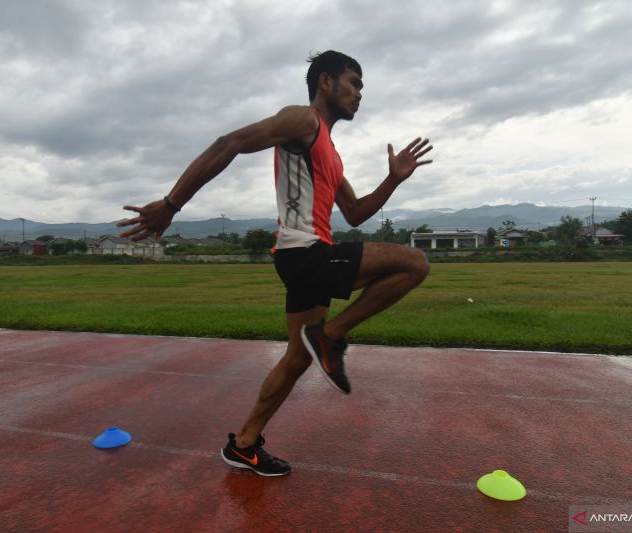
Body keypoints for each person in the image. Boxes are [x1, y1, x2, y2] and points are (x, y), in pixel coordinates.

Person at [118, 51, 433, 476]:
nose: (360, 93)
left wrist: (393, 179)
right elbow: (227, 143)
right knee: (413, 263)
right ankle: (331, 335)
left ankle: (244, 444)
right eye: (354, 83)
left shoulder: (330, 151)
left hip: (308, 254)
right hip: (305, 253)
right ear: (326, 82)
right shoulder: (302, 121)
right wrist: (172, 204)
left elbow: (356, 212)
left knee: (297, 358)